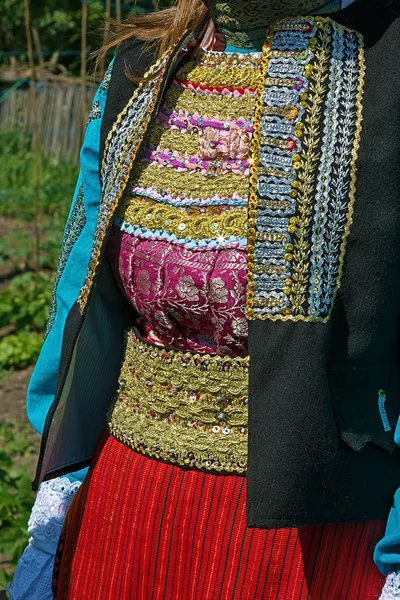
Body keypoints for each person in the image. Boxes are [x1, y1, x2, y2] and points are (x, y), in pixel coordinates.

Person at [8, 0, 400, 598]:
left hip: (319, 531)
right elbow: (83, 287)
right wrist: (62, 480)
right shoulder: (144, 65)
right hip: (125, 501)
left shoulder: (389, 63)